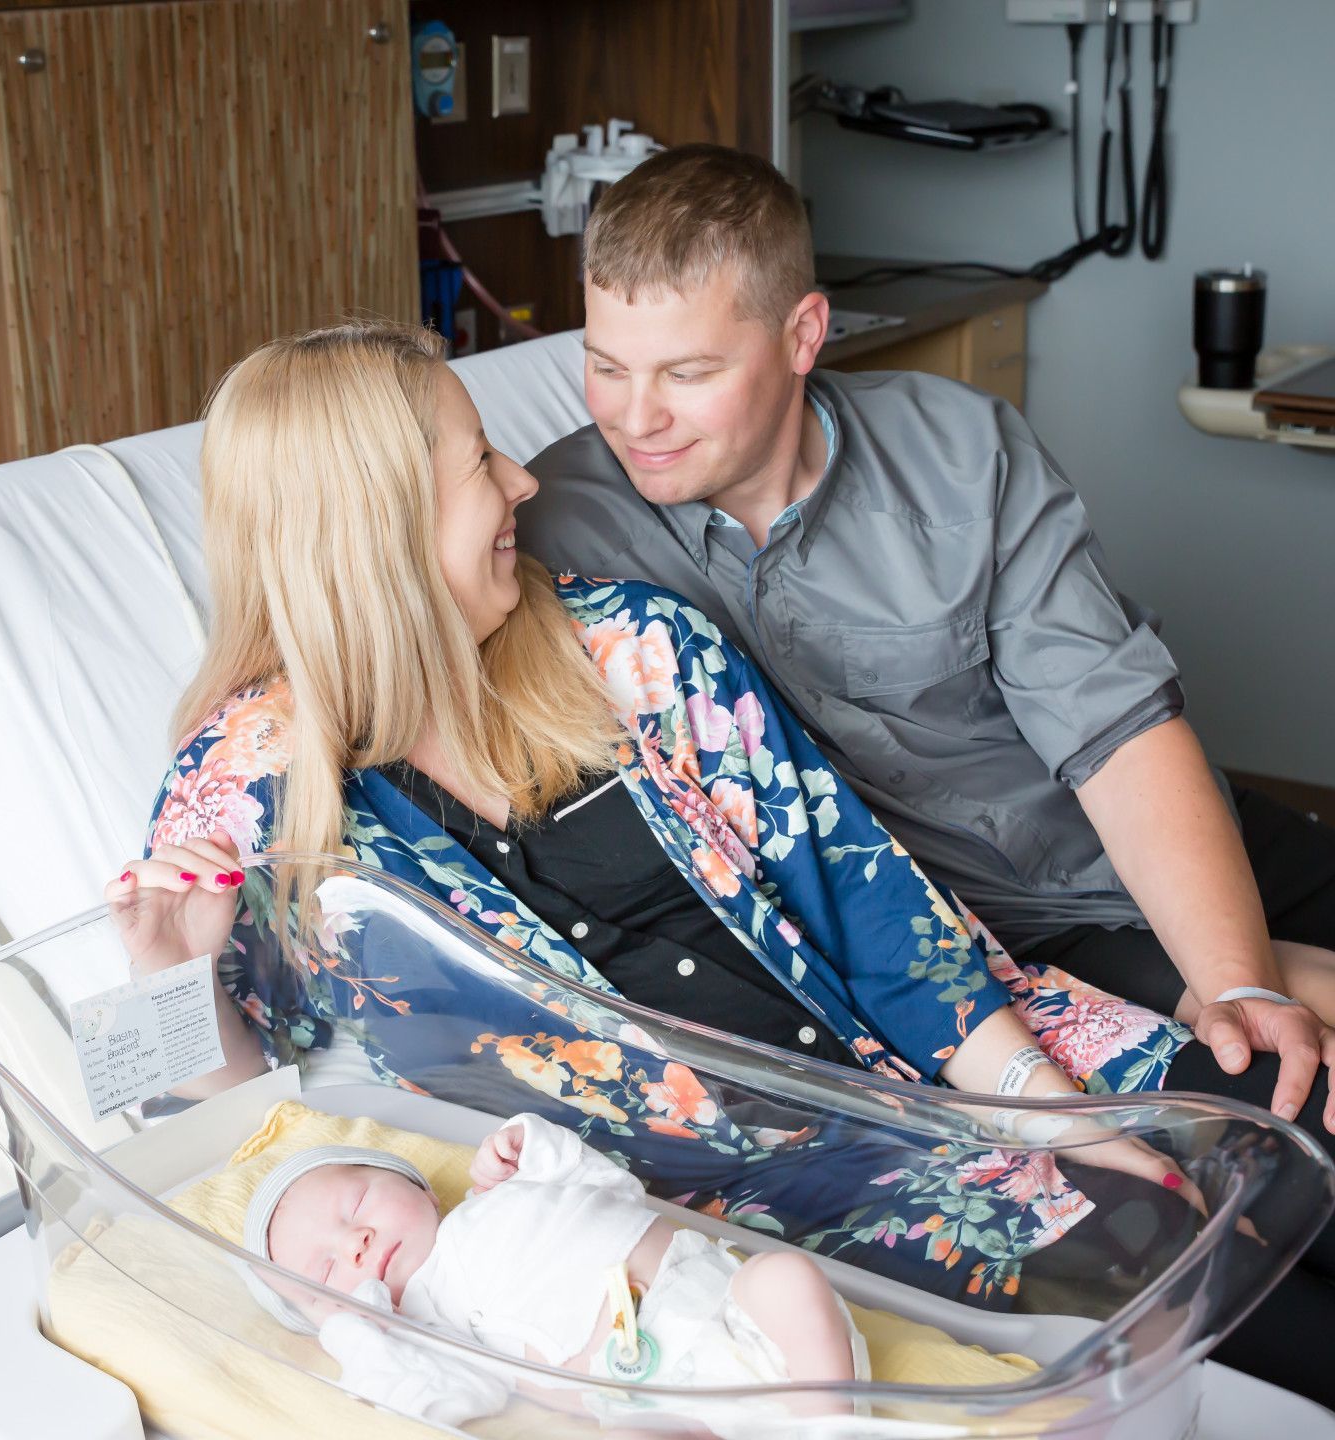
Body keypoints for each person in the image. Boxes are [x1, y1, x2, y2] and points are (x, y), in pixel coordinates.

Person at [109, 321, 1326, 1402]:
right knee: (1219, 1294)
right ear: (375, 526)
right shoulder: (243, 798)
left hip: (966, 1052)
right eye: (479, 462)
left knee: (1288, 1138)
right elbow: (217, 1131)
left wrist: (1063, 1124)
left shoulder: (631, 648)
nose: (524, 481)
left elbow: (867, 904)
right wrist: (171, 984)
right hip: (750, 1201)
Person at [514, 143, 1335, 1144]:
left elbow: (1116, 735)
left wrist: (1235, 973)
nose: (635, 418)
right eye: (604, 366)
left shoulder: (960, 454)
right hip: (1017, 937)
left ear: (803, 333)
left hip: (1164, 829)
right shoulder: (552, 523)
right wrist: (1234, 992)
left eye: (687, 373)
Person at [242, 1111, 870, 1431]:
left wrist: (523, 1144)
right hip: (652, 1402)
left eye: (355, 1205)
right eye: (325, 1273)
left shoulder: (503, 1196)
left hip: (737, 1314)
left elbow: (606, 1183)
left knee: (785, 1276)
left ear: (423, 1189)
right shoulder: (429, 1327)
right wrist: (355, 1329)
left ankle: (830, 1423)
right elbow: (438, 1394)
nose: (356, 1242)